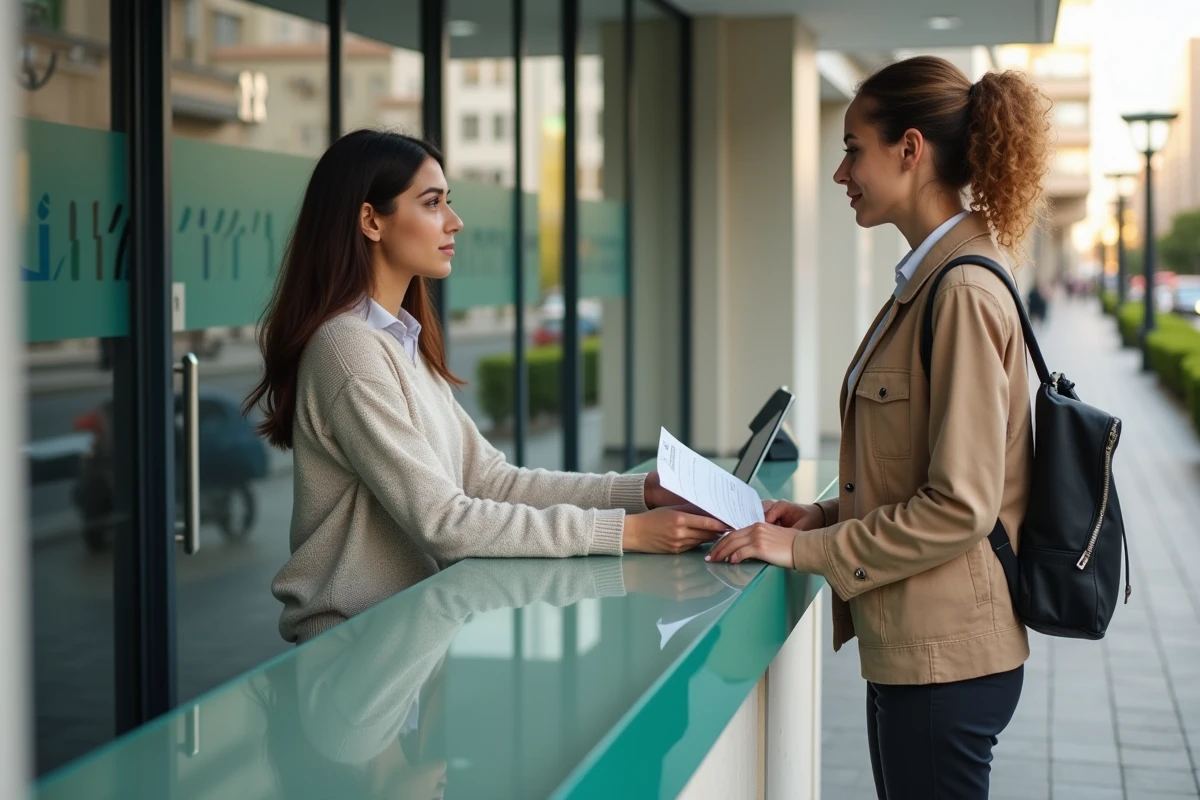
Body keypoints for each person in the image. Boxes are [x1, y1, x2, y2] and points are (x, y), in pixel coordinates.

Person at [708, 56, 1049, 799]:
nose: (840, 173)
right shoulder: (930, 280)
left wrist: (806, 547)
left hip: (947, 660)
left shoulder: (958, 289)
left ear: (910, 149)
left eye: (852, 147)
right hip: (922, 653)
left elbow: (960, 505)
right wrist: (823, 513)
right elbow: (918, 471)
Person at [244, 130, 726, 645]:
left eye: (449, 202)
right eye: (432, 204)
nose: (455, 221)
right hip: (350, 651)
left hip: (405, 636)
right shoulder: (350, 350)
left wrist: (640, 494)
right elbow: (444, 521)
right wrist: (626, 533)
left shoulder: (400, 340)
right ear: (371, 221)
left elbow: (491, 482)